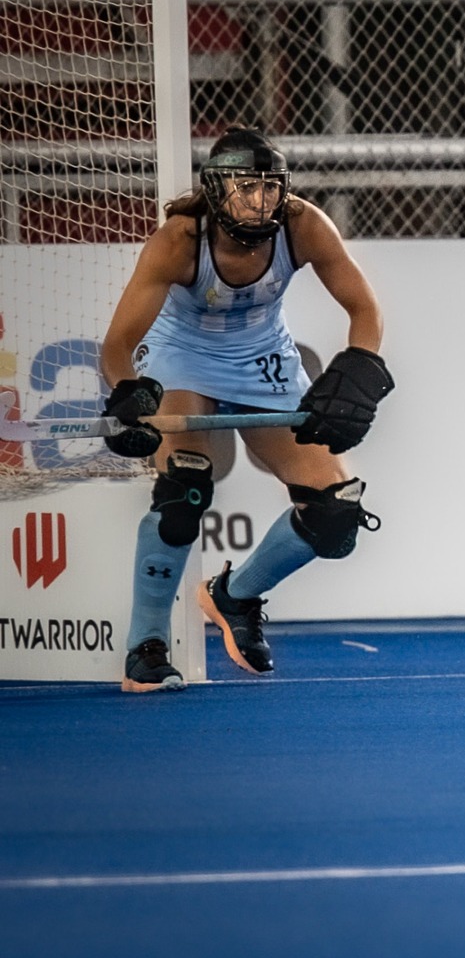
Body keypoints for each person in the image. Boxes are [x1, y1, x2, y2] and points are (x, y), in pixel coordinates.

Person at [99, 128, 394, 692]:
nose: (262, 201)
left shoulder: (303, 225)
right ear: (216, 190)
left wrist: (360, 365)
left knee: (335, 512)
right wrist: (127, 393)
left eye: (271, 188)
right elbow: (118, 346)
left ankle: (234, 597)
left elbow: (364, 308)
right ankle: (146, 646)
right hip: (182, 356)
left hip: (263, 358)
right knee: (184, 490)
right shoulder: (178, 241)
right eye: (247, 188)